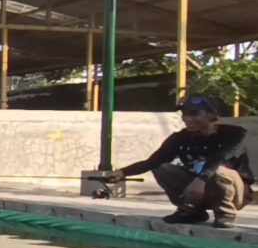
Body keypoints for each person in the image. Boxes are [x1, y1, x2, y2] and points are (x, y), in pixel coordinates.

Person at [106, 94, 252, 229]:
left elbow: (220, 157)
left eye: (194, 113)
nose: (187, 118)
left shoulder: (234, 134)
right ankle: (191, 211)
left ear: (212, 115)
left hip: (234, 194)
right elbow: (152, 162)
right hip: (198, 191)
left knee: (217, 170)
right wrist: (121, 172)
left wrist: (200, 180)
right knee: (162, 168)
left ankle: (225, 213)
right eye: (185, 113)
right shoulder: (180, 138)